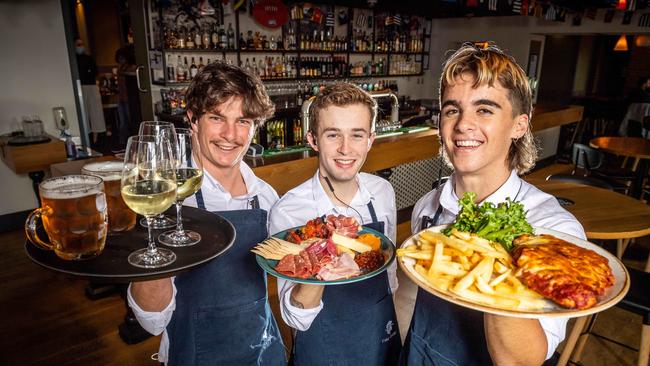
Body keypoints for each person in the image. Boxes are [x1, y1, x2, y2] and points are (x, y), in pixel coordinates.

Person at [400, 43, 586, 365]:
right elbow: (408, 302)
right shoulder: (427, 208)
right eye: (452, 109)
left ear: (519, 125)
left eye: (484, 109)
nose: (462, 124)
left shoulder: (555, 233)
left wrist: (497, 256)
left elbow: (520, 361)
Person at [127, 61, 286, 365]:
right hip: (195, 352)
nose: (230, 134)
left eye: (244, 121)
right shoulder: (169, 201)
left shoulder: (266, 197)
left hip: (262, 348)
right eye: (217, 117)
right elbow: (152, 323)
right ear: (193, 121)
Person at [268, 83, 402, 365]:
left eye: (357, 135)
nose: (345, 148)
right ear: (313, 140)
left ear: (370, 139)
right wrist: (321, 256)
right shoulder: (290, 211)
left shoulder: (382, 192)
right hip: (323, 346)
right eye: (333, 135)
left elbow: (389, 277)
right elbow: (296, 316)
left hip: (380, 335)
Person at [75, 38, 106, 146]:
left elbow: (94, 72)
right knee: (84, 111)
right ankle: (87, 134)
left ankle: (96, 135)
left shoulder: (89, 58)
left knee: (95, 110)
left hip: (91, 85)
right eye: (78, 44)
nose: (80, 46)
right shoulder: (74, 59)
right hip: (80, 86)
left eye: (81, 44)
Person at [114, 45, 136, 146]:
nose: (120, 60)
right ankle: (123, 143)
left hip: (129, 98)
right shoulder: (120, 68)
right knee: (123, 122)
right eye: (119, 58)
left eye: (122, 58)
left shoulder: (131, 67)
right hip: (121, 97)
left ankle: (131, 142)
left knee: (130, 120)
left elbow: (130, 74)